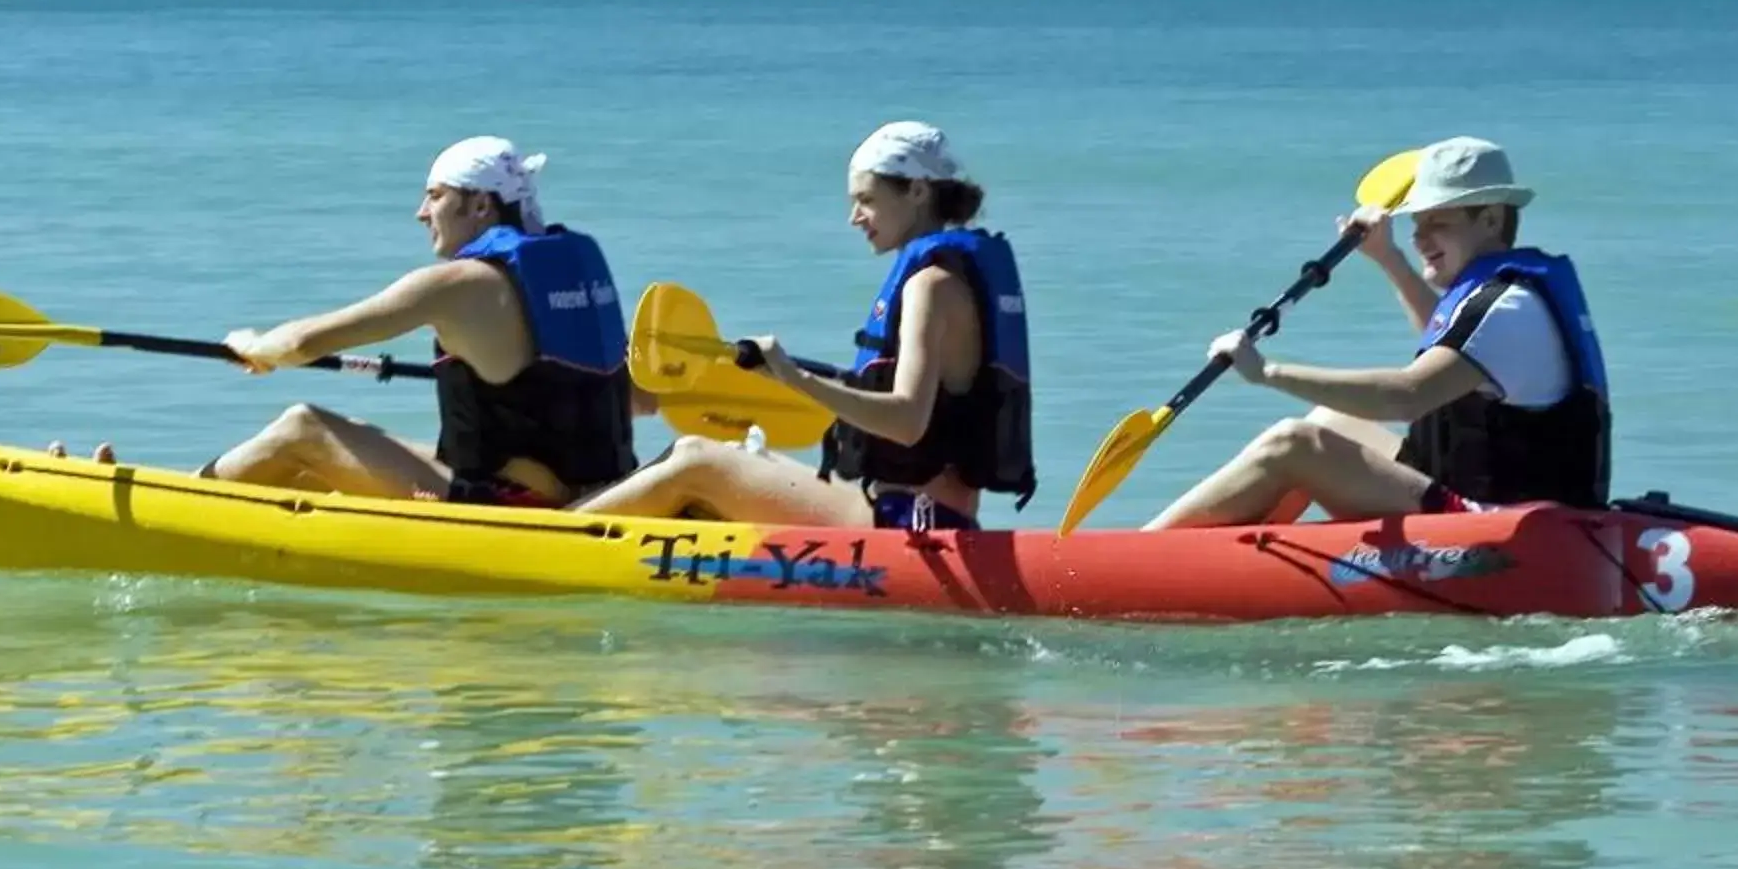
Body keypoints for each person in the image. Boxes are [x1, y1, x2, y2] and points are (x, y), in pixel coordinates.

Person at [580, 121, 1033, 530]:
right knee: (718, 453)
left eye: (867, 200)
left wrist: (795, 378)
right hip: (904, 509)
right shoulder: (949, 277)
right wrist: (782, 374)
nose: (855, 217)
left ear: (916, 191)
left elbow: (906, 422)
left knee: (697, 461)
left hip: (909, 523)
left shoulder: (930, 285)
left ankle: (542, 534)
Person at [1145, 137, 1608, 528]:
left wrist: (1267, 372)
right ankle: (1225, 558)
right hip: (1480, 494)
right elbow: (1444, 334)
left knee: (1292, 443)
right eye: (1417, 225)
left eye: (1439, 223)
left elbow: (1407, 396)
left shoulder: (1505, 306)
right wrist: (1387, 257)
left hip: (1494, 523)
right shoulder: (1498, 294)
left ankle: (1139, 556)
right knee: (1327, 419)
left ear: (1489, 220)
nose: (1421, 238)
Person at [191, 137, 637, 506]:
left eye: (436, 195)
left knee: (302, 429)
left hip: (503, 508)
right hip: (599, 493)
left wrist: (252, 344)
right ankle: (195, 489)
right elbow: (640, 401)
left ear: (481, 205)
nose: (421, 212)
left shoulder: (456, 284)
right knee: (311, 470)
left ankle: (178, 500)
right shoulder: (577, 272)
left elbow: (302, 344)